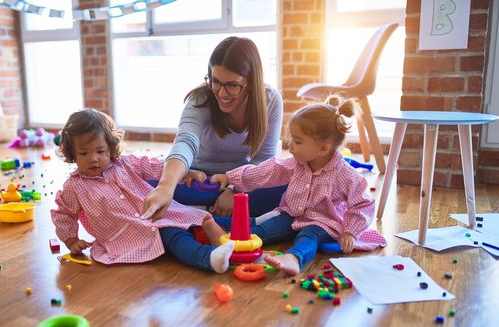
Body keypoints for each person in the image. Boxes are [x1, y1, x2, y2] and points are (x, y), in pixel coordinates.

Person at [210, 96, 387, 276]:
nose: (290, 145)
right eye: (291, 138)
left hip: (322, 223)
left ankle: (293, 258)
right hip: (292, 215)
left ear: (323, 149)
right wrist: (230, 177)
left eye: (298, 141)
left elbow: (363, 204)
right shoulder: (296, 163)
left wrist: (350, 232)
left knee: (308, 237)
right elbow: (268, 171)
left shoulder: (345, 174)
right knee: (263, 230)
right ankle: (225, 236)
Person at [50, 109, 233, 273]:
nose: (93, 159)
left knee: (201, 218)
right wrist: (71, 239)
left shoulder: (125, 164)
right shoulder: (74, 186)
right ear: (72, 153)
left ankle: (254, 224)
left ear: (111, 147)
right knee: (178, 238)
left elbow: (158, 167)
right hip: (129, 236)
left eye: (100, 151)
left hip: (159, 216)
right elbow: (64, 213)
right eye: (84, 153)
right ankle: (209, 258)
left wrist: (185, 172)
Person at [143, 36, 285, 220]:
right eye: (215, 81)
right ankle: (223, 216)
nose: (221, 93)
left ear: (251, 82)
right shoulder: (200, 100)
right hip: (197, 180)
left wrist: (235, 190)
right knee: (147, 182)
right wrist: (165, 187)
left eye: (232, 85)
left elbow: (264, 160)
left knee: (287, 186)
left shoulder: (271, 101)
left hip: (241, 179)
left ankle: (195, 214)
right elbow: (185, 142)